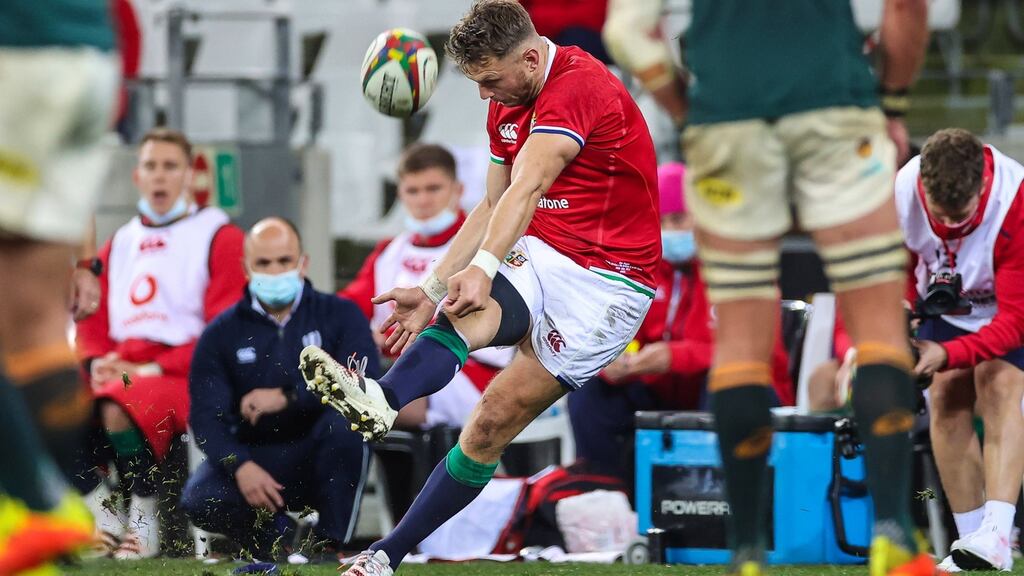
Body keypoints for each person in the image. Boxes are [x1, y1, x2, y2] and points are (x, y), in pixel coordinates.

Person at [298, 2, 661, 573]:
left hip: (609, 283)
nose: (485, 95)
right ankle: (384, 418)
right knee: (468, 306)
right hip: (547, 248)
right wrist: (436, 284)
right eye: (476, 83)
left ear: (532, 57)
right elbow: (493, 201)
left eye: (491, 80)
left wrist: (485, 265)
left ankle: (389, 540)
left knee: (490, 424)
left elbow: (528, 186)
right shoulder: (507, 99)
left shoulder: (578, 86)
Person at [675, 2, 931, 576]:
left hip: (727, 116)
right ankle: (893, 532)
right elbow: (907, 5)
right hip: (837, 111)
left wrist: (687, 109)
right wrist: (890, 103)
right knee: (878, 327)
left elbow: (627, 33)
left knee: (739, 344)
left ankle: (745, 551)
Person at [75, 127, 247, 559]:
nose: (160, 177)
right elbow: (93, 317)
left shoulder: (219, 236)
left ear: (191, 175)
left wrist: (149, 369)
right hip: (124, 370)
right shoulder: (120, 242)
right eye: (151, 166)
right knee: (46, 399)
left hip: (186, 375)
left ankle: (144, 517)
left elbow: (222, 330)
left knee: (118, 400)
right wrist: (96, 360)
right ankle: (101, 510)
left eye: (171, 166)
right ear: (137, 175)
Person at [568, 163, 794, 490]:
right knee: (590, 389)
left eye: (677, 220)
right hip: (664, 389)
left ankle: (718, 509)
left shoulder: (743, 263)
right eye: (658, 221)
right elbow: (621, 329)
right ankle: (608, 501)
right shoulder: (643, 263)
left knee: (726, 385)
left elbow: (751, 348)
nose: (668, 232)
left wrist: (675, 356)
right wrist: (614, 357)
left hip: (746, 389)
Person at [0, 1, 119, 573]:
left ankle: (38, 502)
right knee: (32, 323)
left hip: (14, 49)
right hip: (88, 54)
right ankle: (49, 526)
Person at [183, 218, 377, 561]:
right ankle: (280, 540)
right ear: (246, 269)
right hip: (256, 456)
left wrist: (290, 396)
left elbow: (364, 384)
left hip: (322, 449)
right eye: (263, 263)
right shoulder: (219, 334)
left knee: (347, 425)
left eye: (284, 261)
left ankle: (328, 544)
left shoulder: (341, 315)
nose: (275, 272)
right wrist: (240, 466)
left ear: (303, 262)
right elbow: (206, 418)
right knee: (199, 498)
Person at [895, 129, 1024, 572]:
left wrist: (947, 353)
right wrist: (904, 314)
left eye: (960, 214)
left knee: (998, 384)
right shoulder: (904, 187)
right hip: (952, 302)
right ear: (924, 186)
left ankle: (1000, 535)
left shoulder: (1015, 199)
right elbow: (902, 262)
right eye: (939, 213)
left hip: (1007, 309)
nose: (949, 225)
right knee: (946, 399)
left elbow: (1014, 322)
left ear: (982, 187)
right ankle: (971, 541)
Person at [340, 143, 511, 430]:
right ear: (400, 195)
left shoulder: (488, 246)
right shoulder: (389, 252)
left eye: (433, 189)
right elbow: (347, 308)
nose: (423, 200)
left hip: (470, 372)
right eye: (413, 191)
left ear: (457, 190)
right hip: (394, 368)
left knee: (350, 402)